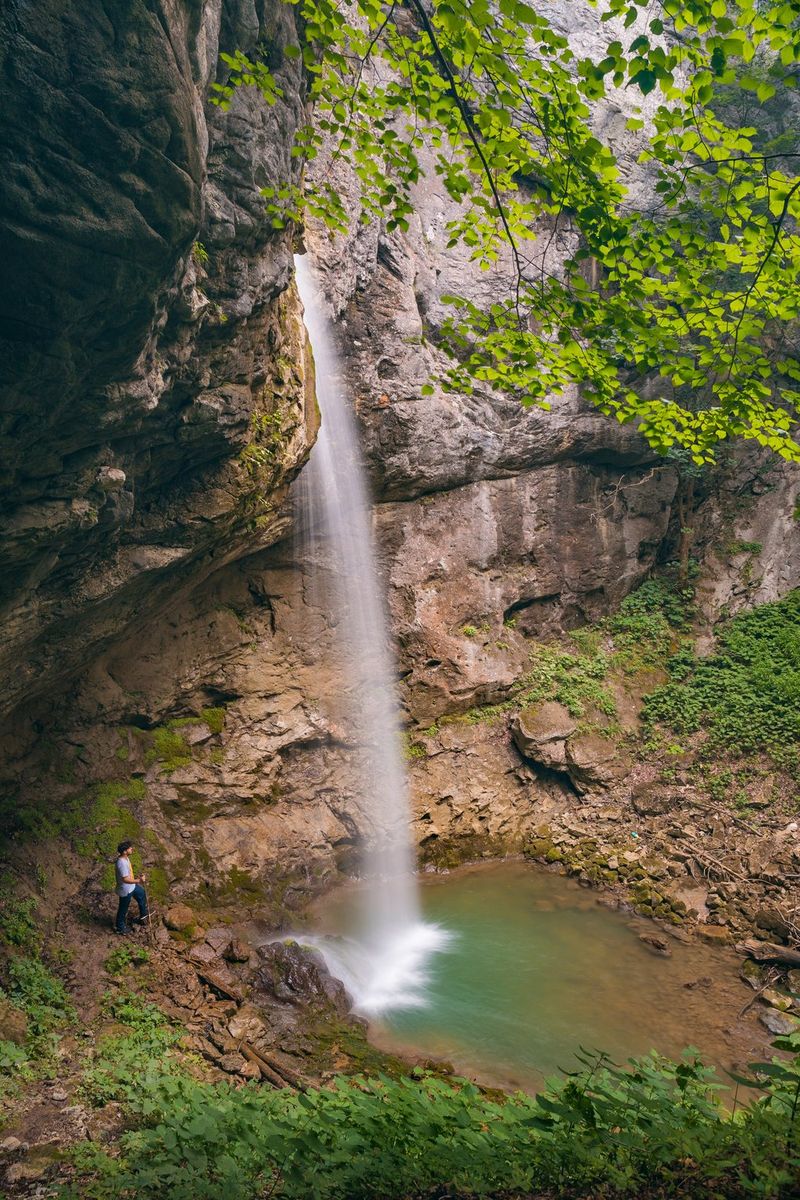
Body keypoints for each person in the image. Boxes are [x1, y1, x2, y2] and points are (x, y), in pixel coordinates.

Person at [114, 839, 149, 935]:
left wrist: (136, 878)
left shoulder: (126, 858)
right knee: (123, 908)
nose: (132, 849)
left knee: (142, 894)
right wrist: (139, 881)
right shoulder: (121, 863)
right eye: (130, 848)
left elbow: (128, 875)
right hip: (125, 889)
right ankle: (120, 928)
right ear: (125, 851)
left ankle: (143, 917)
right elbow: (125, 879)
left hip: (132, 887)